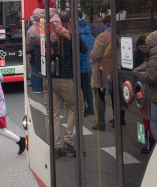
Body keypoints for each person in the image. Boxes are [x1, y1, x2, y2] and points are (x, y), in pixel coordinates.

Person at [44, 11, 87, 157]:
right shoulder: (69, 36)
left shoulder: (46, 33)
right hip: (66, 78)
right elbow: (84, 49)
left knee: (52, 113)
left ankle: (55, 147)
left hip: (49, 79)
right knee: (77, 107)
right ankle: (68, 142)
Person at [90, 15, 113, 131]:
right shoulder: (115, 36)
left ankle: (101, 123)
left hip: (101, 70)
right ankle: (117, 120)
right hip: (112, 69)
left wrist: (91, 61)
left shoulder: (102, 36)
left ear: (104, 24)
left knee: (99, 96)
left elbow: (95, 54)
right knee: (114, 96)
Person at [79, 15, 95, 116]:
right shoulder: (92, 37)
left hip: (82, 68)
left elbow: (80, 54)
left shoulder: (81, 38)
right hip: (89, 67)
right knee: (89, 88)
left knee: (82, 90)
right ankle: (91, 109)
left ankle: (83, 110)